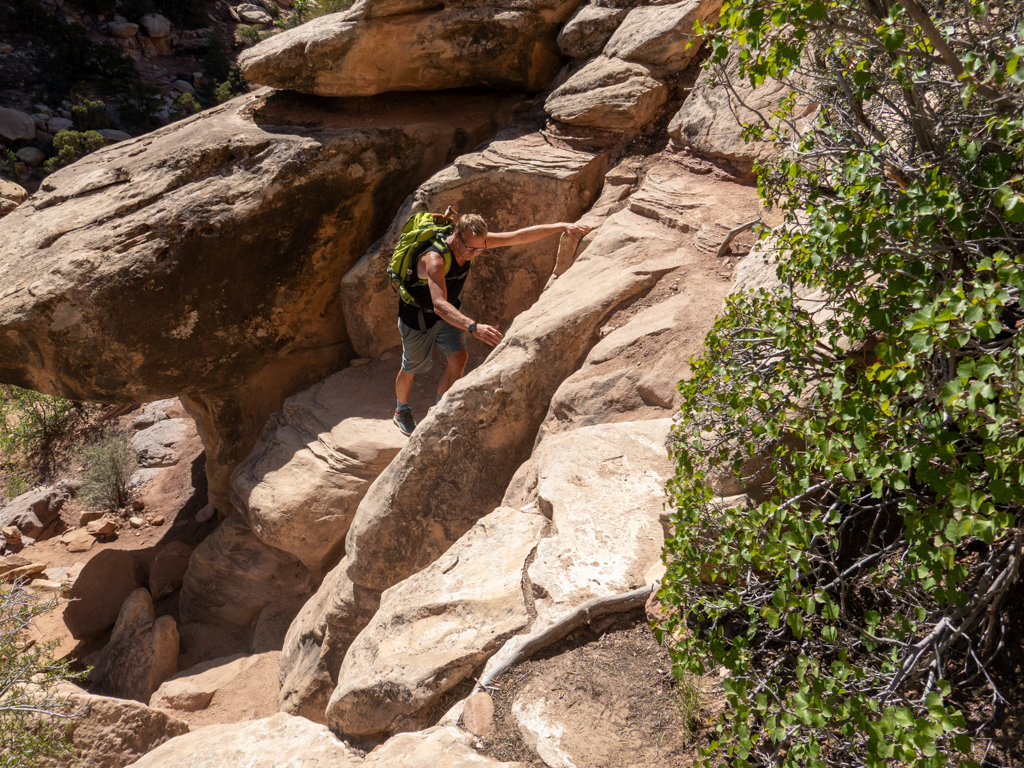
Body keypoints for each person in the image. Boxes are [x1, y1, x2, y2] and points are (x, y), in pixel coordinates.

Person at [394, 213, 591, 436]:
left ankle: (438, 414)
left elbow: (517, 236)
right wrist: (473, 326)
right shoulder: (435, 259)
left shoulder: (473, 243)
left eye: (479, 249)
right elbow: (439, 304)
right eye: (470, 248)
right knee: (412, 367)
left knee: (459, 357)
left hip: (449, 314)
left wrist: (561, 225)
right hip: (417, 316)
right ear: (456, 236)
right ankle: (401, 411)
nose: (473, 254)